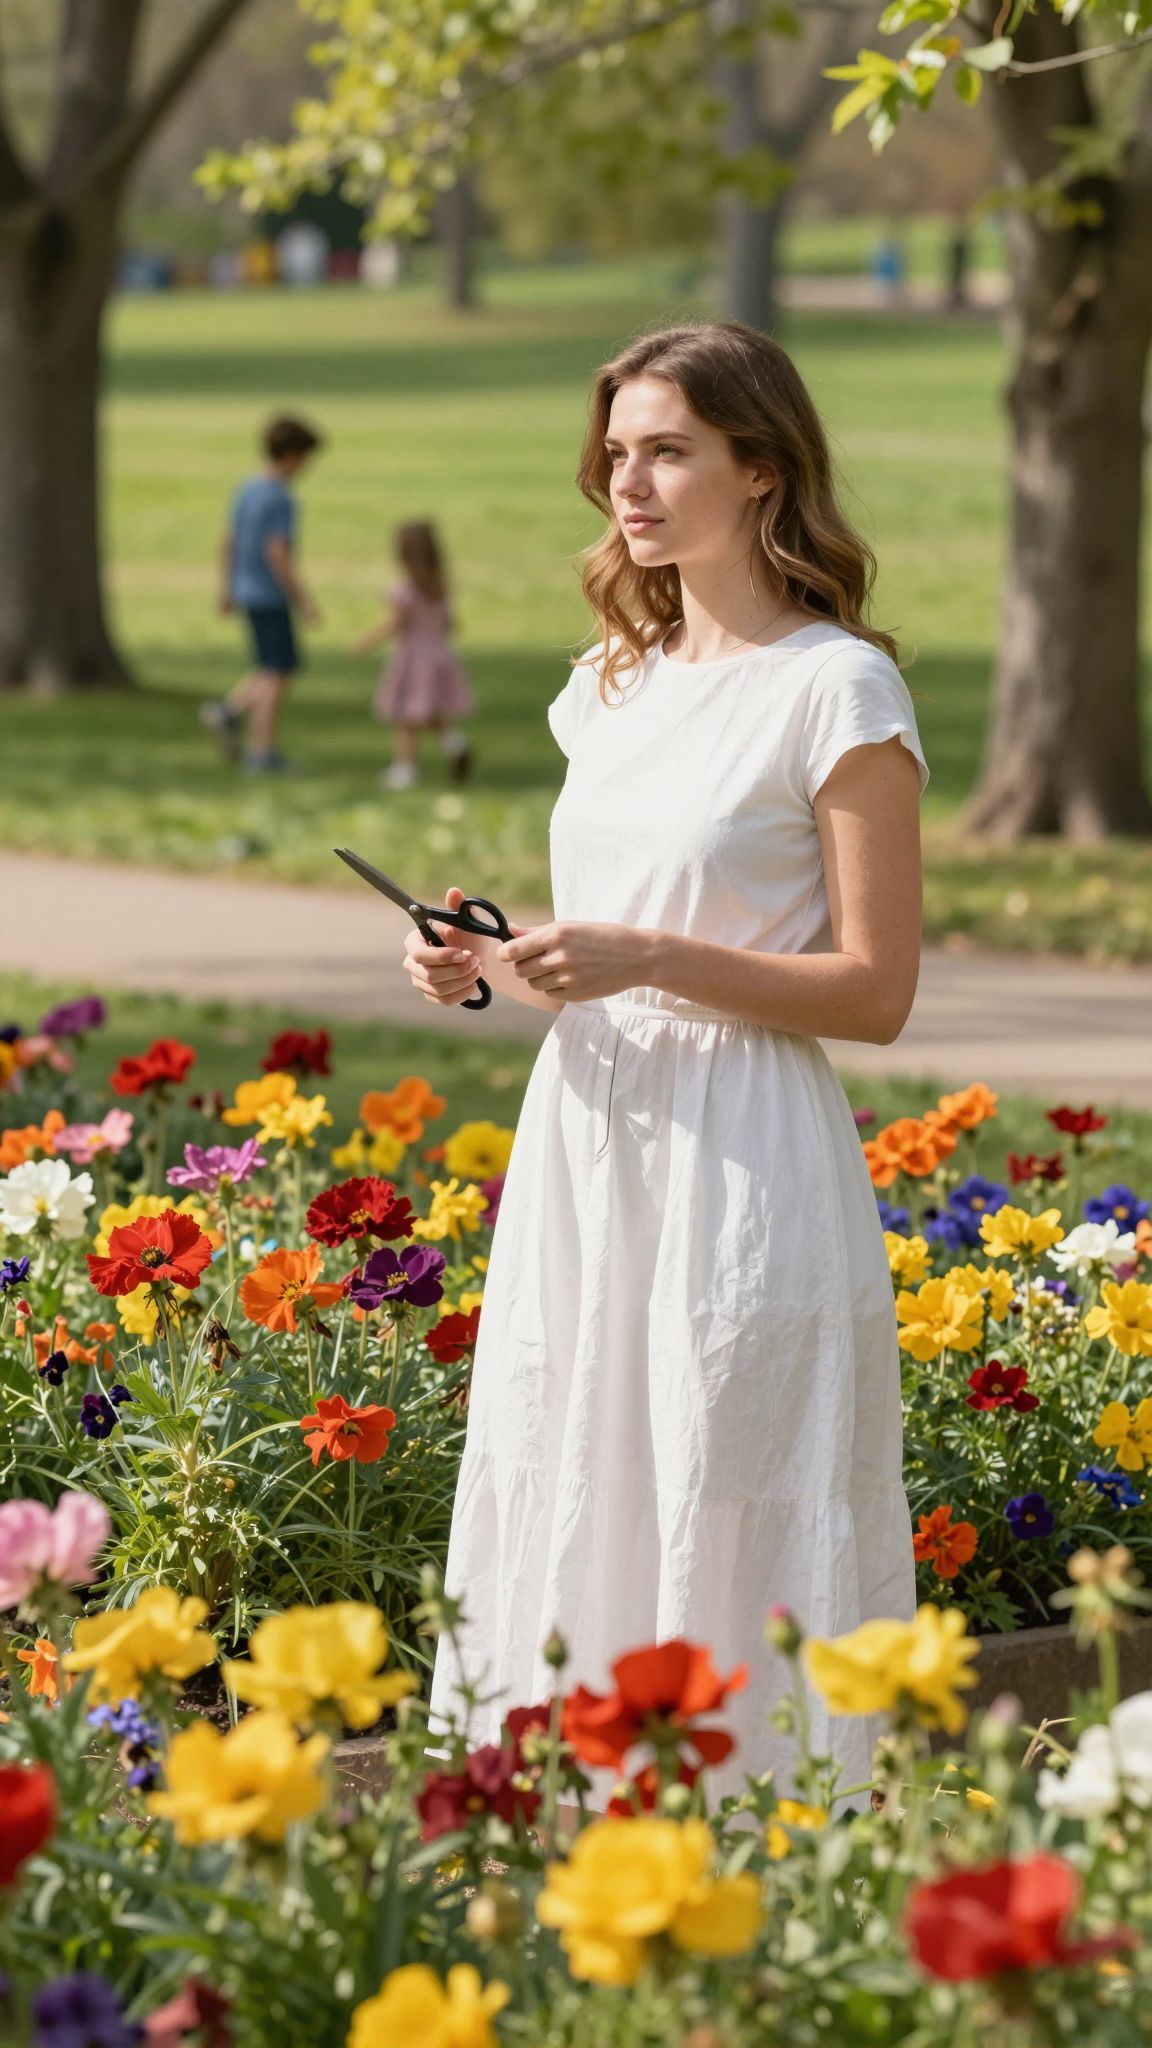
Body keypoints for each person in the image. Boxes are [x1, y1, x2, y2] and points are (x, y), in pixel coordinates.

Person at [408, 320, 930, 1830]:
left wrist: (648, 959)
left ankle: (758, 1859)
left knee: (725, 1478)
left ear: (761, 470)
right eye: (619, 453)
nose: (626, 483)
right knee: (583, 1462)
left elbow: (877, 990)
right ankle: (566, 1840)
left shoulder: (837, 694)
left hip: (743, 1154)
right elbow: (618, 912)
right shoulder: (610, 685)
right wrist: (484, 955)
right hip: (590, 1138)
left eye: (668, 451)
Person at [203, 415, 324, 775]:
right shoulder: (281, 499)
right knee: (277, 672)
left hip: (246, 588)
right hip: (270, 594)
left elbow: (229, 540)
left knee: (270, 666)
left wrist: (226, 587)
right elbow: (278, 553)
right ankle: (262, 751)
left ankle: (229, 712)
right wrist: (302, 599)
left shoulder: (248, 489)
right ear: (292, 456)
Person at [353, 520, 476, 790]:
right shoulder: (440, 586)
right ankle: (456, 745)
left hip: (413, 661)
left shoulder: (403, 591)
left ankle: (405, 770)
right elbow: (449, 623)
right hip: (440, 657)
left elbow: (396, 624)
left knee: (406, 720)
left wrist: (365, 642)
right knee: (433, 714)